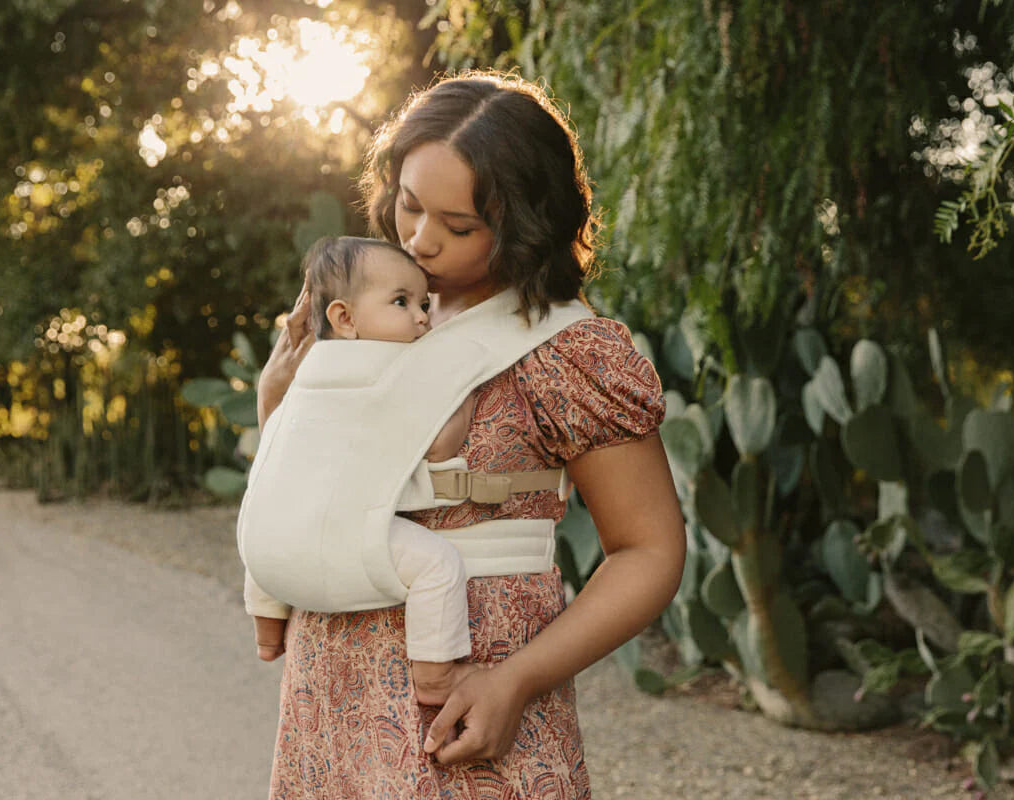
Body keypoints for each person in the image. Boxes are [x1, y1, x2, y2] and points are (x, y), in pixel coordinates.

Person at [255, 70, 685, 799]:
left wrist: (516, 681)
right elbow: (306, 488)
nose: (420, 242)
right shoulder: (360, 316)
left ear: (525, 224)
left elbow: (650, 550)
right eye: (409, 205)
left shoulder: (564, 352)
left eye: (459, 228)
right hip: (329, 695)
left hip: (474, 705)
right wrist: (276, 399)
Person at [246, 235, 479, 707]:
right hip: (347, 540)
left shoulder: (304, 370)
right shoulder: (397, 368)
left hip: (265, 549)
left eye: (423, 304)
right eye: (402, 302)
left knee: (272, 520)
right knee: (438, 566)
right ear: (345, 318)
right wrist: (464, 391)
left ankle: (268, 634)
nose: (421, 317)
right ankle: (434, 679)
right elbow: (439, 449)